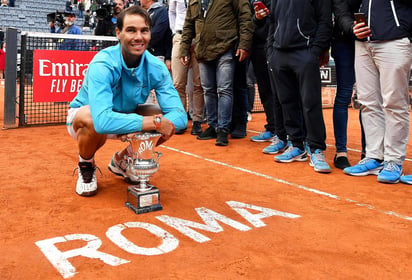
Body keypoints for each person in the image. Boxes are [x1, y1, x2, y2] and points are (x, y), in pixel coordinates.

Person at [66, 5, 187, 196]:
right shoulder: (102, 63)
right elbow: (102, 121)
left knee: (167, 121)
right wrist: (153, 122)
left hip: (125, 117)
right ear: (118, 33)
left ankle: (123, 159)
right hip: (87, 119)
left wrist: (159, 121)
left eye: (144, 31)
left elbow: (179, 117)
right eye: (131, 30)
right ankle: (86, 164)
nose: (138, 37)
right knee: (91, 119)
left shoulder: (156, 66)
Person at [343, 1, 412, 184]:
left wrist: (403, 29)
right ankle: (374, 157)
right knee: (368, 102)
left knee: (394, 104)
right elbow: (346, 7)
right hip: (363, 44)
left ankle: (394, 160)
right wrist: (352, 27)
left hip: (395, 41)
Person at [267, 0, 333, 173]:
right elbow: (273, 21)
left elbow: (325, 21)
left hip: (305, 52)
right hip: (279, 54)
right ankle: (296, 145)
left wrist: (315, 51)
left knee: (311, 103)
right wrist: (270, 52)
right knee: (286, 101)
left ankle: (317, 148)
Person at [180, 0, 253, 146]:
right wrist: (184, 48)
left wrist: (244, 44)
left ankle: (223, 129)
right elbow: (188, 25)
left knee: (224, 89)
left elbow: (245, 17)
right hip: (203, 50)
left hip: (226, 47)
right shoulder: (194, 1)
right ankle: (213, 126)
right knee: (208, 90)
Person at [249, 0, 288, 155]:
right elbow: (251, 20)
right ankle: (272, 127)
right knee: (265, 90)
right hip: (257, 46)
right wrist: (257, 18)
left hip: (276, 45)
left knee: (280, 92)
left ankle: (285, 132)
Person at [330, 0, 359, 169]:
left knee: (369, 99)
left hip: (371, 41)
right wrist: (353, 28)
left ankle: (370, 152)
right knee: (344, 95)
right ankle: (341, 151)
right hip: (344, 42)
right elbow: (340, 13)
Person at [168, 0, 204, 135]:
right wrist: (174, 31)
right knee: (178, 83)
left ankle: (197, 121)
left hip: (199, 38)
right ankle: (180, 120)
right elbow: (171, 12)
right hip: (180, 37)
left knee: (198, 83)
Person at [140, 0, 173, 71]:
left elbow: (157, 34)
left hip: (157, 55)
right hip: (144, 54)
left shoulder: (162, 11)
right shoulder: (143, 13)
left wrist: (168, 57)